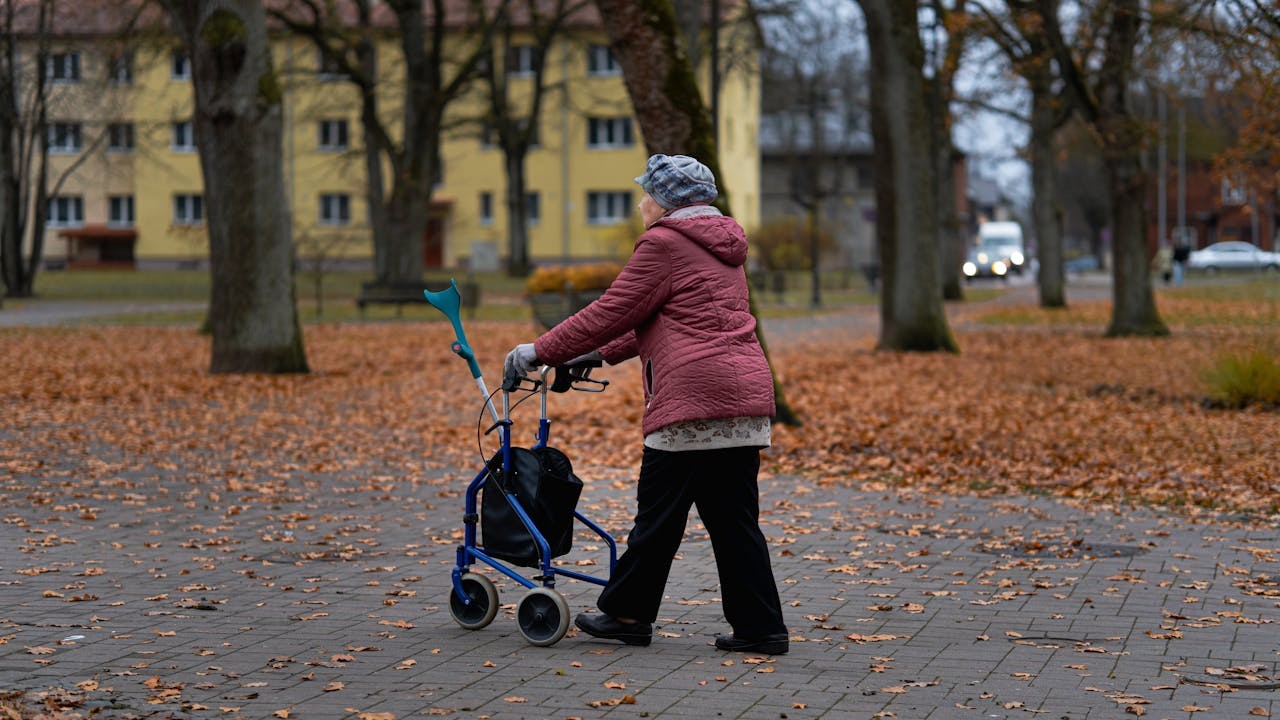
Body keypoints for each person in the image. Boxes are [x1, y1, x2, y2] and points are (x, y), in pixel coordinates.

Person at [504, 154, 788, 655]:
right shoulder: (723, 245)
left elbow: (612, 310)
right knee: (734, 522)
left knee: (658, 518)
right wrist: (598, 355)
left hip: (692, 399)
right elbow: (666, 320)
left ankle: (628, 614)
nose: (640, 203)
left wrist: (538, 351)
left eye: (645, 193)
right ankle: (761, 628)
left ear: (664, 201)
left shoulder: (664, 243)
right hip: (742, 398)